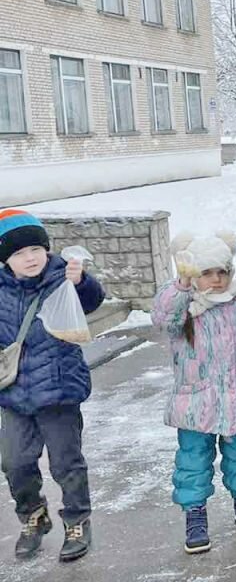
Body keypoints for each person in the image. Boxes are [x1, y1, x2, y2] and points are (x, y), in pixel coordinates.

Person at [152, 234, 236, 554]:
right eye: (207, 272)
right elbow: (162, 317)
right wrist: (182, 284)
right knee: (193, 461)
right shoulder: (185, 310)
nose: (216, 279)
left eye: (222, 272)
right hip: (195, 404)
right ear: (194, 276)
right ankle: (194, 513)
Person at [0, 210, 103, 563]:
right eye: (18, 253)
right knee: (14, 463)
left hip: (59, 391)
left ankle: (77, 522)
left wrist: (82, 282)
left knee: (66, 463)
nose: (29, 258)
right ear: (5, 259)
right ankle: (33, 517)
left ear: (46, 249)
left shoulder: (63, 277)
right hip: (14, 395)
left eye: (34, 249)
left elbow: (92, 301)